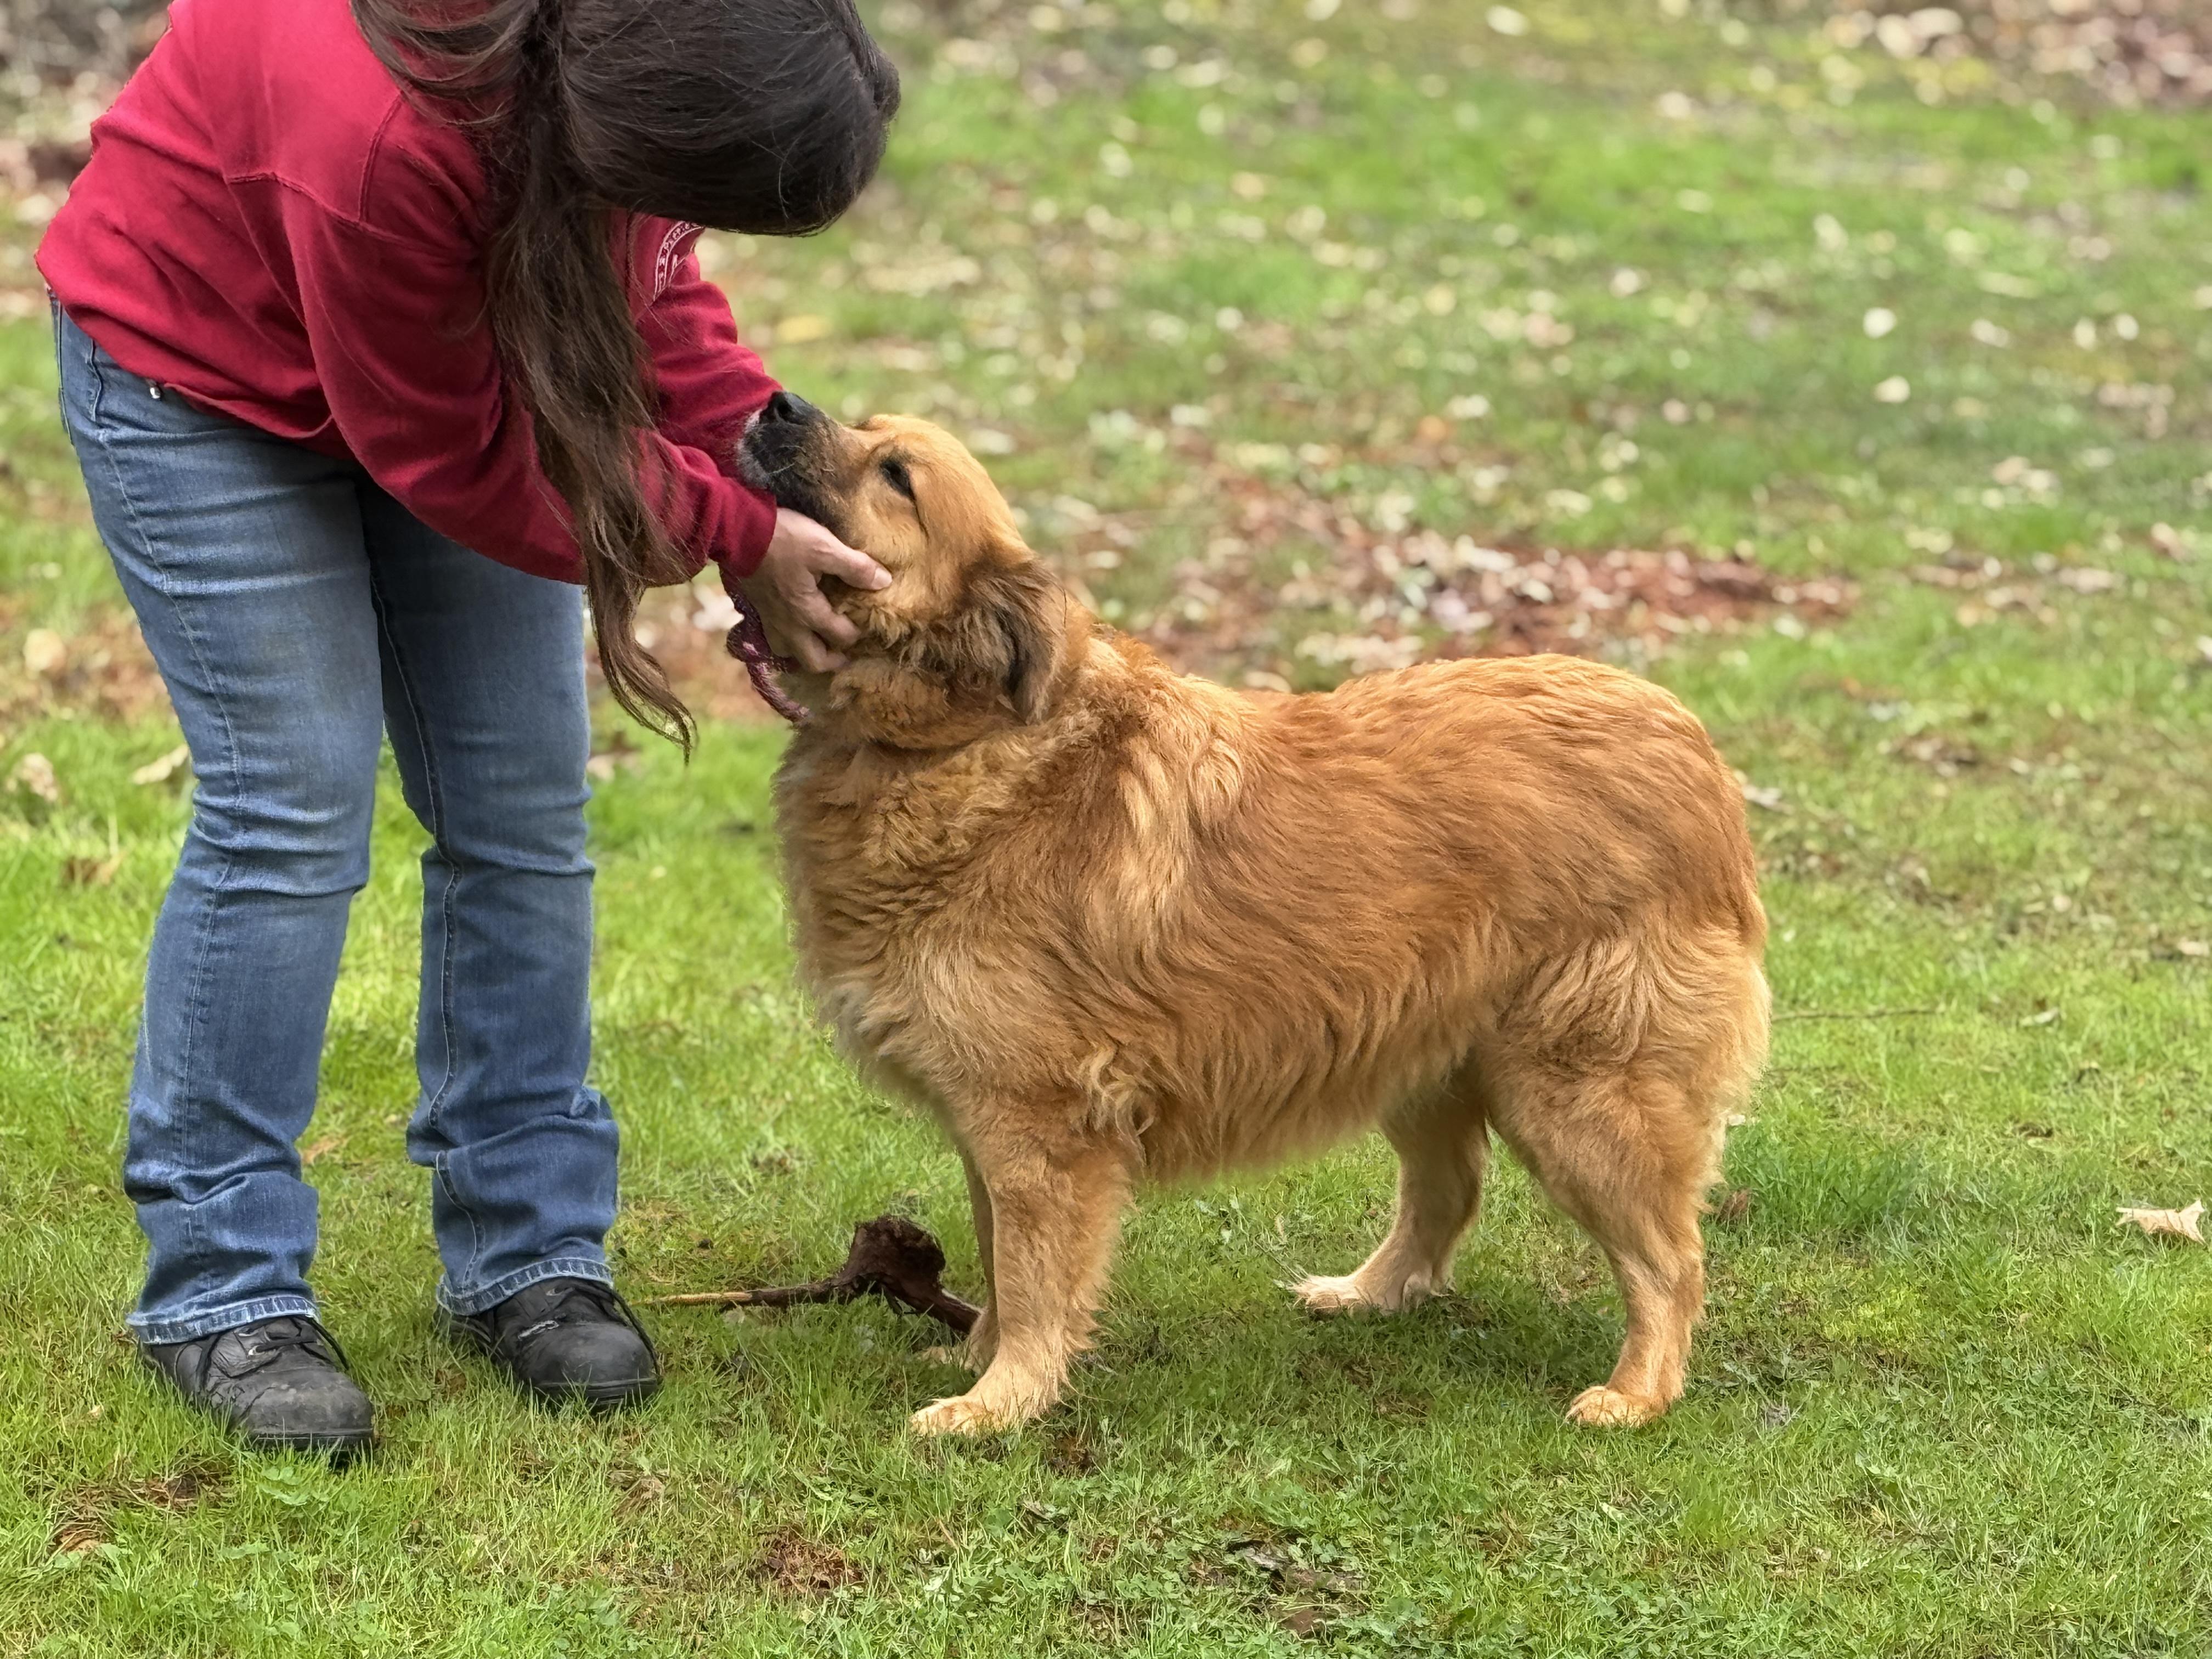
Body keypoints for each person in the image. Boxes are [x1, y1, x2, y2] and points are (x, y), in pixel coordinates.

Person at [37, 0, 898, 1455]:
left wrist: (774, 454)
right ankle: (220, 1284)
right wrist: (729, 531)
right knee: (291, 812)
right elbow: (457, 449)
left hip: (435, 346)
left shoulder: (633, 46)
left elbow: (649, 282)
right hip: (203, 376)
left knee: (520, 807)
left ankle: (530, 1253)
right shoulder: (378, 126)